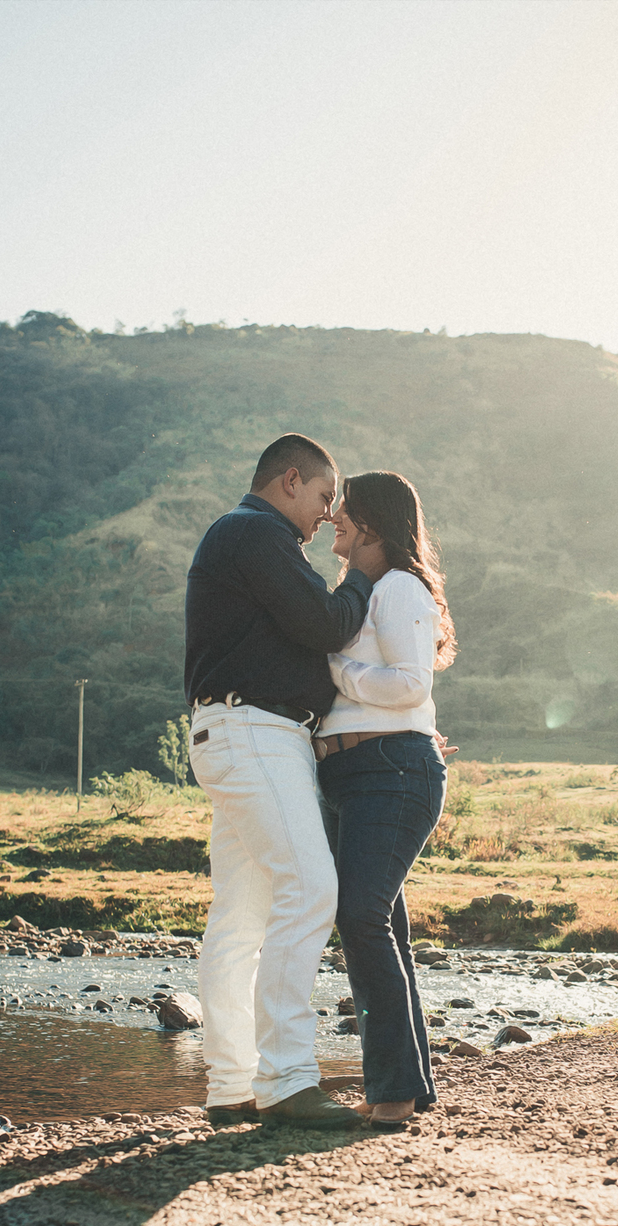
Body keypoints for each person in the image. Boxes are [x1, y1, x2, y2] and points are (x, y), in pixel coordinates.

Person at [184, 434, 387, 1129]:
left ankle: (232, 1085)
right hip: (254, 736)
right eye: (325, 498)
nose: (328, 517)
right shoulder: (256, 534)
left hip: (240, 735)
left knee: (241, 919)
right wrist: (364, 568)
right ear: (291, 481)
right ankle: (288, 1081)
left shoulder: (244, 539)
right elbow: (327, 622)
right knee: (311, 889)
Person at [314, 472, 457, 1130]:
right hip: (348, 775)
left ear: (371, 521)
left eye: (345, 509)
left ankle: (394, 1092)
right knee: (381, 928)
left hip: (389, 772)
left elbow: (407, 687)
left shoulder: (399, 588)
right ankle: (402, 1085)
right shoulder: (362, 590)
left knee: (361, 918)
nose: (333, 518)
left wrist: (334, 668)